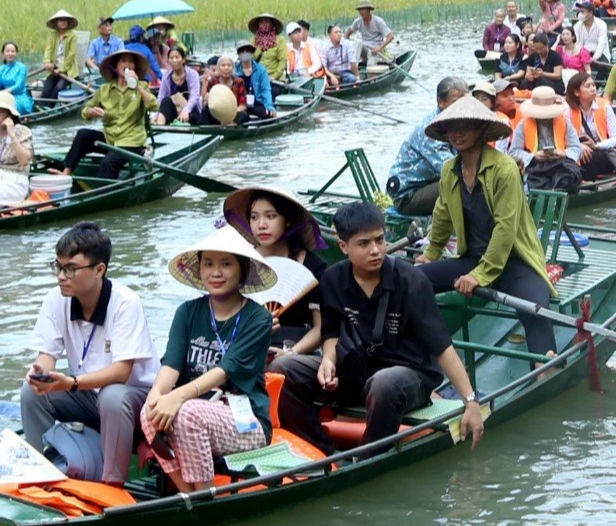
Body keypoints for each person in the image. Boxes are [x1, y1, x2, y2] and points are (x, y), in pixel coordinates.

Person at [269, 201, 483, 451]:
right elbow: (331, 332)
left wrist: (470, 402)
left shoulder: (411, 281)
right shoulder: (333, 279)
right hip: (356, 371)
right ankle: (319, 451)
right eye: (364, 243)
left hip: (409, 378)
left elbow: (443, 348)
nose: (376, 250)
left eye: (380, 240)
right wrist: (328, 359)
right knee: (282, 367)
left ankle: (369, 457)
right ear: (343, 247)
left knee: (384, 382)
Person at [20, 221, 158, 485]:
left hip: (135, 404)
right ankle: (41, 474)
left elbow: (122, 372)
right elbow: (46, 355)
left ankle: (112, 484)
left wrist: (71, 383)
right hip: (87, 396)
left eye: (70, 269)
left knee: (112, 395)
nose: (61, 275)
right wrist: (40, 374)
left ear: (99, 270)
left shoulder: (125, 303)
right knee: (31, 393)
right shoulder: (55, 299)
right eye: (58, 267)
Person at [140, 229, 277, 493]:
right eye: (209, 264)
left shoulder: (258, 318)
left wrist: (177, 397)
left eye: (226, 264)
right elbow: (171, 365)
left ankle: (204, 495)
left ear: (242, 270)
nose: (216, 272)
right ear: (199, 269)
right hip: (196, 407)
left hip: (245, 420)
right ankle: (187, 494)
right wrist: (157, 395)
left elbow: (225, 371)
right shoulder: (188, 312)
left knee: (189, 413)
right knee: (149, 411)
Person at [417, 95, 556, 355]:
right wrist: (431, 254)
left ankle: (543, 369)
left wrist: (478, 276)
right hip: (473, 259)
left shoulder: (504, 169)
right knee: (414, 281)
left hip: (514, 261)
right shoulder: (450, 169)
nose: (457, 134)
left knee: (536, 310)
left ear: (481, 130)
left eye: (465, 127)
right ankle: (429, 350)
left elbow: (505, 227)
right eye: (452, 128)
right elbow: (443, 215)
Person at [223, 183, 331, 352]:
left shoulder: (313, 266)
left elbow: (321, 327)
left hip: (298, 350)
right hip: (246, 346)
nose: (261, 225)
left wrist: (290, 353)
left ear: (287, 220)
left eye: (270, 216)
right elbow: (224, 319)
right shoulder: (241, 262)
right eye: (254, 217)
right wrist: (254, 328)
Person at [63, 46, 157, 180]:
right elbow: (85, 111)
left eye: (131, 62)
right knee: (83, 134)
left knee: (107, 163)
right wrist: (90, 112)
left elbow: (154, 105)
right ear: (116, 66)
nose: (128, 65)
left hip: (131, 143)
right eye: (123, 61)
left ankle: (103, 196)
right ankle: (66, 172)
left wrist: (137, 86)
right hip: (110, 139)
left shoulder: (142, 85)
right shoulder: (105, 89)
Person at [386, 77, 471, 215]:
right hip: (408, 195)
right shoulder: (431, 129)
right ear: (441, 102)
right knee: (460, 184)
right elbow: (450, 168)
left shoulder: (453, 122)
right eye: (456, 102)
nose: (462, 107)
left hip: (429, 183)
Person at [567, 74, 616, 184]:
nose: (593, 89)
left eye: (593, 85)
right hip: (579, 150)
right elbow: (564, 137)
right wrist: (579, 146)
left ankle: (589, 185)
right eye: (587, 86)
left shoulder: (605, 106)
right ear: (577, 92)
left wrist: (596, 146)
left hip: (604, 153)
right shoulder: (568, 110)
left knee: (590, 156)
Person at [38, 10, 85, 101]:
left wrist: (61, 69)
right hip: (54, 67)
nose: (63, 23)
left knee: (58, 88)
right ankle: (42, 106)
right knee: (47, 86)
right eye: (61, 20)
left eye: (65, 20)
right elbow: (48, 49)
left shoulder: (73, 36)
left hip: (68, 70)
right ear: (56, 22)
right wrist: (47, 62)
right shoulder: (53, 35)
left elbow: (71, 55)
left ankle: (49, 108)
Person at [228, 44, 277, 118]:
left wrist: (268, 105)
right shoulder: (234, 70)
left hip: (256, 102)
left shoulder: (261, 70)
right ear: (238, 54)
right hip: (240, 104)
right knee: (240, 117)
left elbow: (266, 90)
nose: (245, 53)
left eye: (247, 50)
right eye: (242, 51)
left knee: (269, 114)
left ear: (252, 52)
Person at [0, 42, 35, 114]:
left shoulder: (22, 67)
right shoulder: (1, 69)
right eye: (8, 51)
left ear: (16, 53)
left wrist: (3, 93)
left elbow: (18, 86)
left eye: (13, 51)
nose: (10, 54)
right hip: (3, 96)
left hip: (19, 97)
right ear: (3, 53)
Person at [247, 13, 289, 81]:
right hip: (258, 78)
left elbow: (282, 61)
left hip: (275, 79)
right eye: (261, 22)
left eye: (267, 22)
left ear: (272, 24)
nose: (264, 24)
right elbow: (250, 60)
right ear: (258, 25)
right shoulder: (253, 41)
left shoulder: (280, 40)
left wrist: (274, 77)